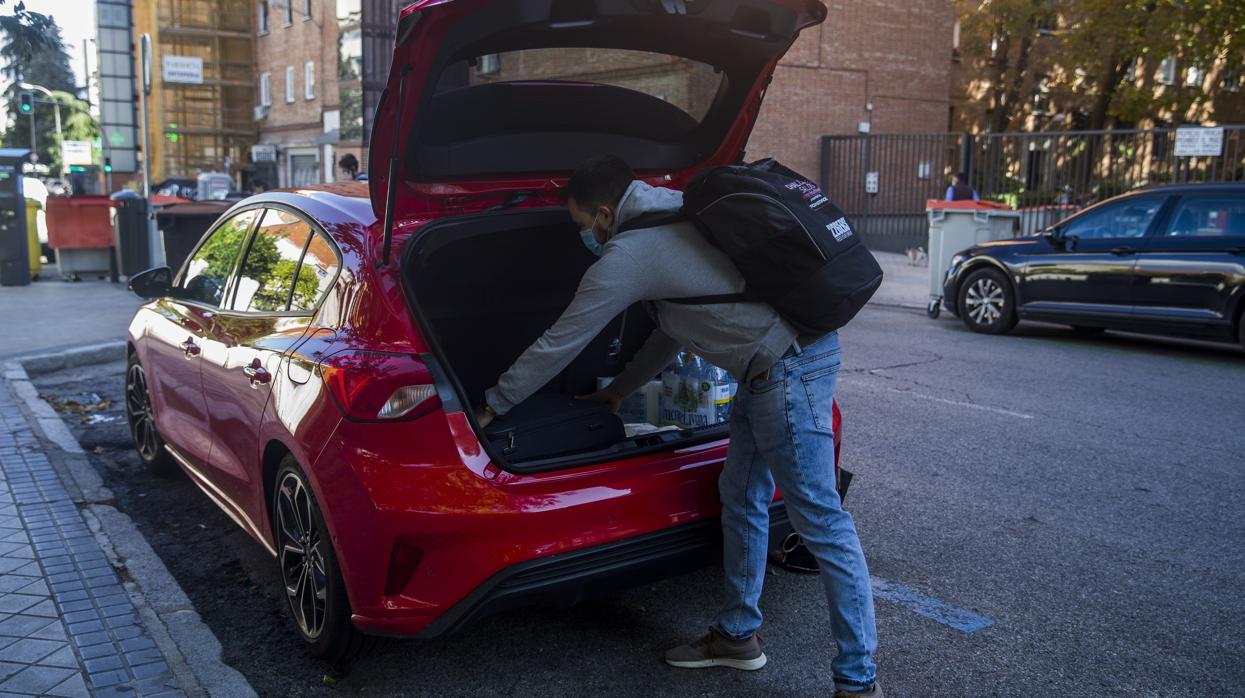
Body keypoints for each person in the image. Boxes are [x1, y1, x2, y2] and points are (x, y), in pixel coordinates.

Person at [475, 155, 881, 698]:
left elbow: (560, 342)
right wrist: (621, 389)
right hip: (769, 368)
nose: (583, 239)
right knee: (740, 496)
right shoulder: (673, 209)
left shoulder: (629, 253)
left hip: (786, 370)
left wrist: (493, 405)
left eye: (580, 227)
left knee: (823, 522)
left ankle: (858, 682)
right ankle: (737, 637)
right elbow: (678, 322)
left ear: (602, 214)